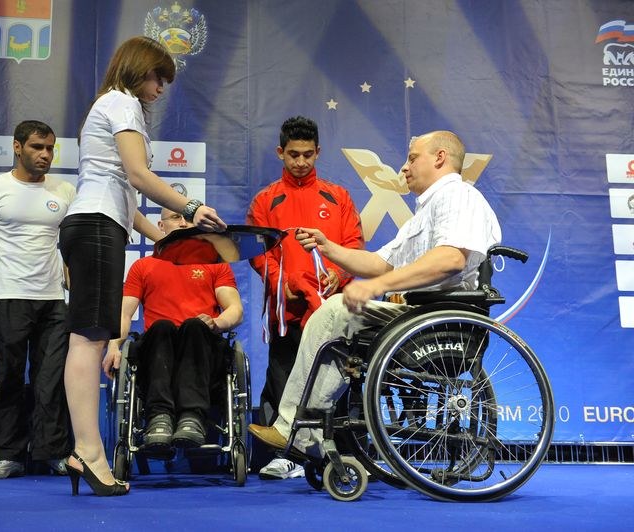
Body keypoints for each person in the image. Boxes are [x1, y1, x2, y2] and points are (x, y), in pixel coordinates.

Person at [248, 130, 502, 459]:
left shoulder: (458, 196)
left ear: (440, 158)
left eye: (413, 158)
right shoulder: (424, 213)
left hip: (439, 315)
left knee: (337, 310)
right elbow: (380, 263)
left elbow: (451, 259)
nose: (404, 167)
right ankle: (305, 429)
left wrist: (378, 286)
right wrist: (328, 247)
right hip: (419, 313)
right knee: (336, 317)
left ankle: (296, 429)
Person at [58, 36, 226, 497]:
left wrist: (164, 239)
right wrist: (191, 208)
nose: (160, 89)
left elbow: (124, 193)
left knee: (87, 338)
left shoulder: (109, 104)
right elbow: (137, 175)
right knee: (88, 340)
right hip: (96, 227)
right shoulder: (123, 102)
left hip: (98, 223)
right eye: (157, 77)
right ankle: (87, 452)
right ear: (138, 70)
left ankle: (86, 451)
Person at [246, 116, 364, 479]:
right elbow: (257, 251)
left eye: (307, 154)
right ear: (280, 152)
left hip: (331, 306)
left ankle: (338, 453)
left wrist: (339, 274)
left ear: (318, 152)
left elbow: (354, 244)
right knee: (283, 374)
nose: (300, 162)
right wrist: (280, 283)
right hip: (287, 308)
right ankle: (284, 455)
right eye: (293, 154)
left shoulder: (338, 197)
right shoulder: (266, 200)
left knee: (335, 378)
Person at [0, 120, 75, 480]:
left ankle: (53, 452)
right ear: (17, 147)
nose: (45, 155)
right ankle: (8, 456)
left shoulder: (65, 190)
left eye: (50, 148)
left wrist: (71, 281)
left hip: (53, 300)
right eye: (37, 147)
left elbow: (70, 249)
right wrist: (3, 279)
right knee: (9, 376)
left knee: (51, 378)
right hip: (9, 298)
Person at [107, 207, 243, 455]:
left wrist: (216, 323)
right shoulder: (143, 266)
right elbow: (124, 314)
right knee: (162, 327)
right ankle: (159, 416)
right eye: (175, 217)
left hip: (202, 351)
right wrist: (114, 345)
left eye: (189, 218)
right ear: (161, 226)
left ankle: (192, 416)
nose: (182, 223)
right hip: (158, 352)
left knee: (194, 325)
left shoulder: (215, 265)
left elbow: (235, 309)